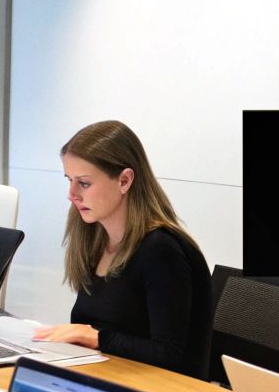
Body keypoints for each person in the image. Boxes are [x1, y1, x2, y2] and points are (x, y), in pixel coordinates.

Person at [34, 120, 213, 378]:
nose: (71, 194)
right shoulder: (94, 236)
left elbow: (170, 356)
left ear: (125, 180)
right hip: (111, 379)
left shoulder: (161, 251)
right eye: (69, 180)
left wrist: (97, 338)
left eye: (83, 183)